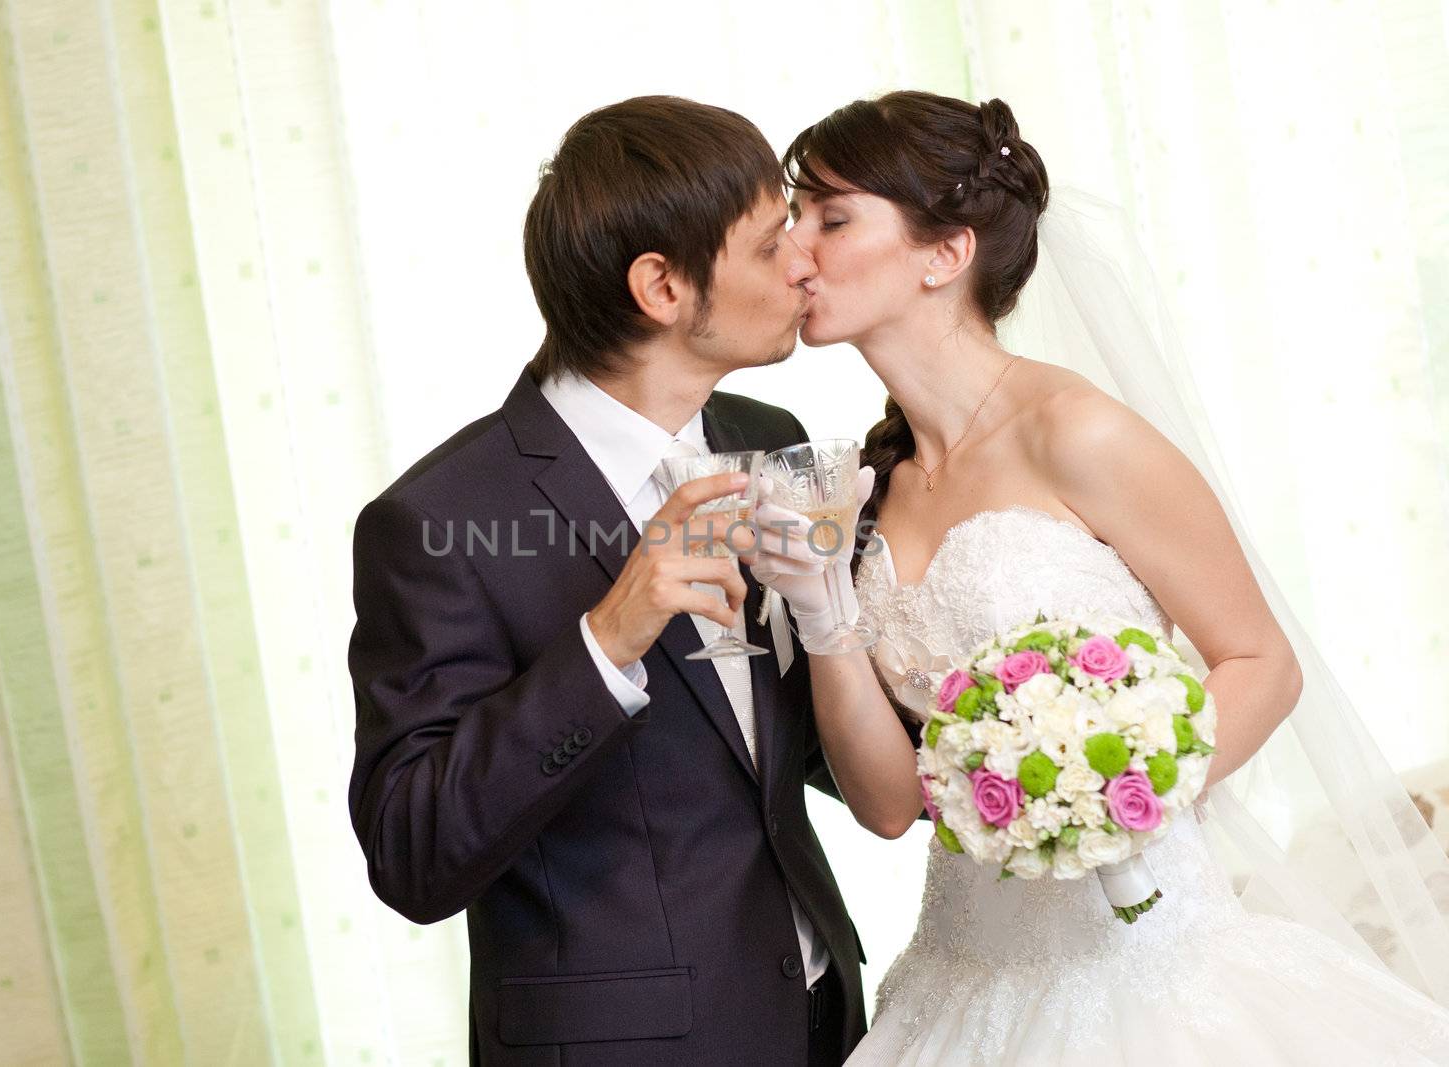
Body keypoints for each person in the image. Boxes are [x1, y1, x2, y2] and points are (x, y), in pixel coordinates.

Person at [752, 89, 1449, 1065]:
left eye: (830, 217)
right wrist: (822, 609)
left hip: (1149, 969)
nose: (796, 251)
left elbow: (1261, 659)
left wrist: (1112, 793)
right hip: (958, 984)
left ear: (944, 252)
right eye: (793, 220)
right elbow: (886, 804)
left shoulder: (1072, 431)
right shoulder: (872, 489)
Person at [347, 96, 869, 1066]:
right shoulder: (436, 520)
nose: (804, 261)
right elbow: (412, 856)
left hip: (824, 1018)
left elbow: (802, 749)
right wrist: (606, 639)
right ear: (662, 286)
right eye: (769, 243)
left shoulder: (768, 438)